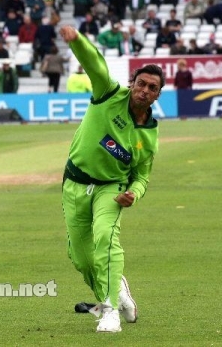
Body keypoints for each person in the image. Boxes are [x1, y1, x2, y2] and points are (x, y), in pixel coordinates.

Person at [59, 25, 164, 333]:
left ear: (158, 94)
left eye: (152, 87)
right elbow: (95, 64)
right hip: (74, 184)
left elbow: (142, 177)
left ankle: (109, 311)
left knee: (105, 237)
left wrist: (134, 193)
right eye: (141, 83)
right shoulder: (107, 94)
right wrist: (77, 40)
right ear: (132, 84)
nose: (144, 89)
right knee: (81, 258)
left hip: (111, 188)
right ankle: (118, 290)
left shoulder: (148, 137)